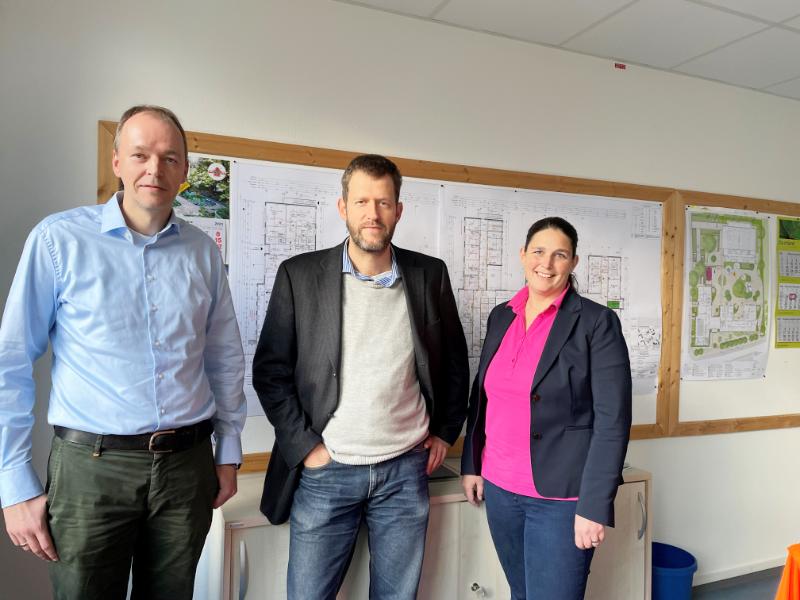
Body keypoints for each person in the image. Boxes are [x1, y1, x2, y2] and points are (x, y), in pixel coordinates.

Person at [0, 105, 246, 600]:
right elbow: (11, 361)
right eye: (140, 155)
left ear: (184, 169)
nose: (155, 169)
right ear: (117, 162)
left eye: (170, 158)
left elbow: (223, 358)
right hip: (91, 470)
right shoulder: (59, 240)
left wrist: (229, 452)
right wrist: (14, 483)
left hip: (187, 467)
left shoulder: (202, 251)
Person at [252, 154, 470, 600]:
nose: (373, 213)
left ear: (398, 210)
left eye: (384, 202)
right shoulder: (299, 275)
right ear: (343, 207)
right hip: (326, 470)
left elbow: (453, 363)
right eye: (362, 202)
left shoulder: (430, 275)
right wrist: (306, 448)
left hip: (406, 470)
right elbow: (270, 371)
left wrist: (446, 432)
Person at [460, 216, 632, 600]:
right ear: (523, 255)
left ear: (573, 262)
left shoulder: (596, 323)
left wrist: (594, 506)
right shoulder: (502, 315)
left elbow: (613, 422)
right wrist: (472, 463)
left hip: (561, 499)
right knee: (521, 593)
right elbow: (482, 396)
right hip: (500, 488)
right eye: (538, 251)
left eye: (560, 255)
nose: (547, 263)